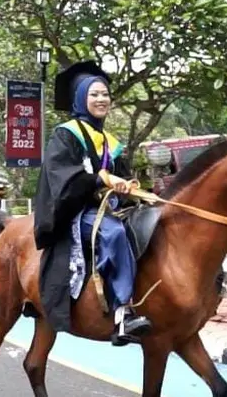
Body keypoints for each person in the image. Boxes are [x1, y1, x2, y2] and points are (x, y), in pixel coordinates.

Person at [34, 60, 151, 346]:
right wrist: (100, 179)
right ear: (81, 99)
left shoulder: (110, 141)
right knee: (113, 233)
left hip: (107, 208)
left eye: (105, 94)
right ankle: (123, 312)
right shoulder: (66, 134)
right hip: (74, 211)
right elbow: (63, 178)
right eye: (94, 94)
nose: (101, 99)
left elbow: (120, 177)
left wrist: (129, 186)